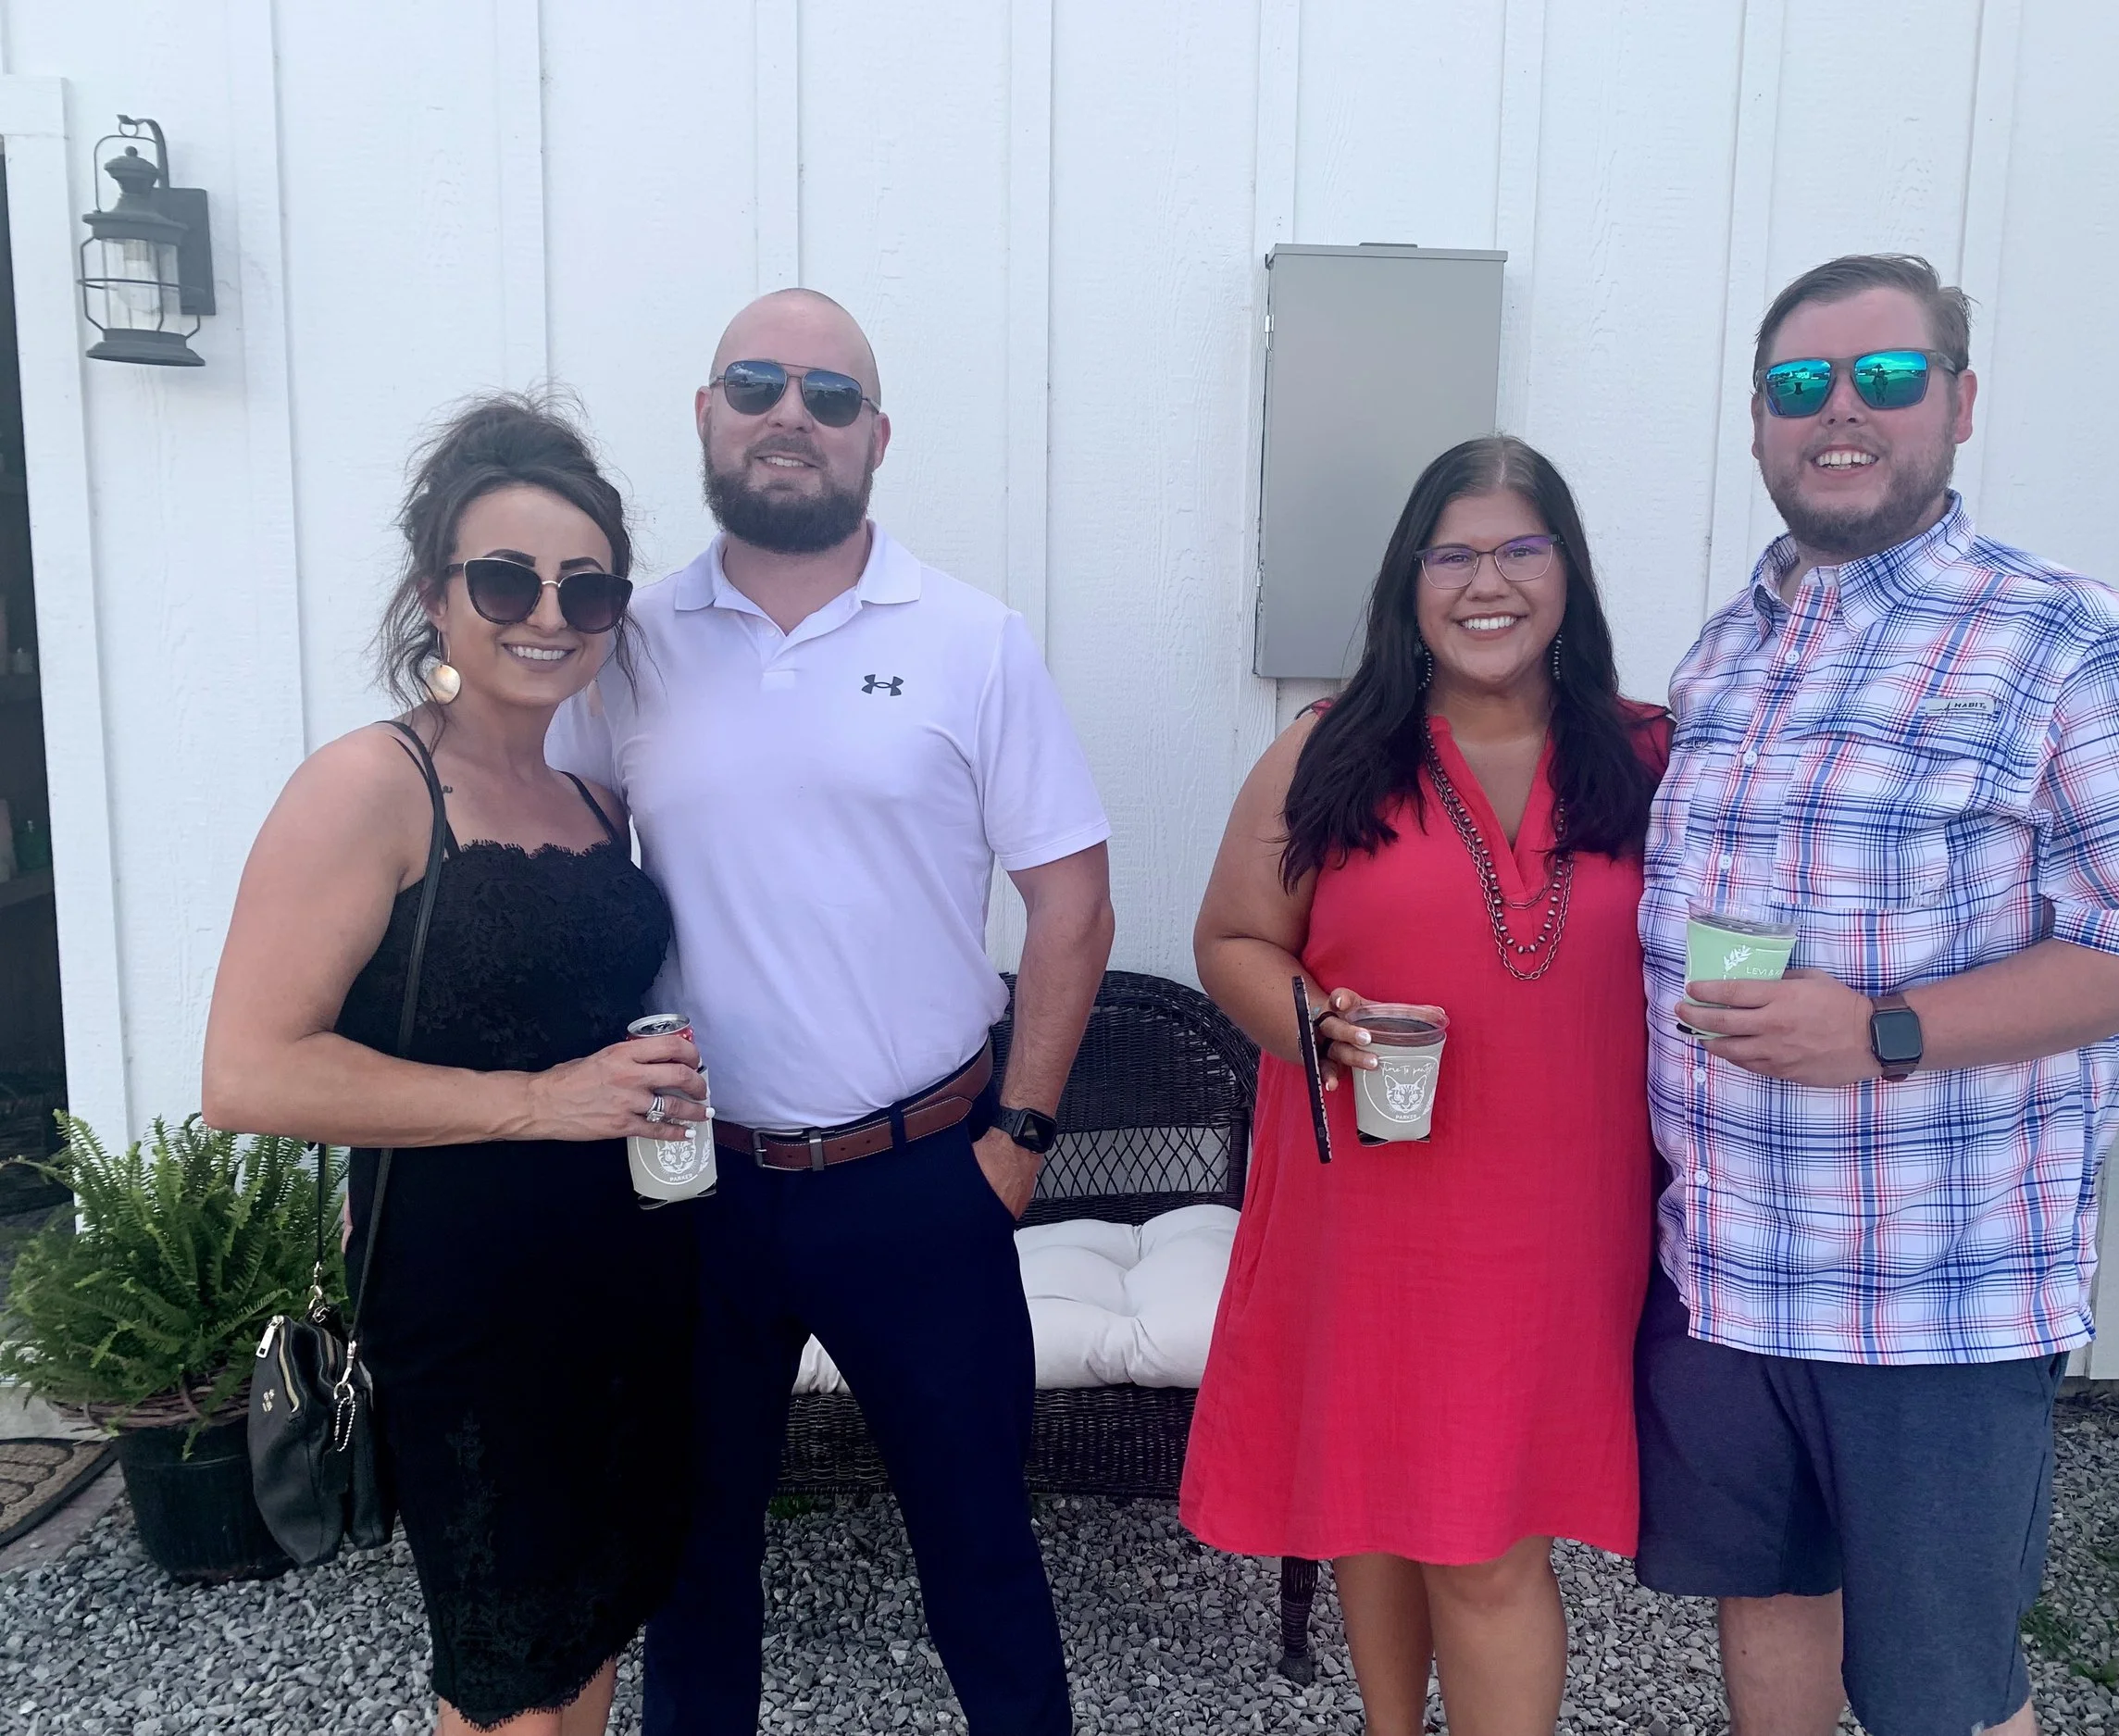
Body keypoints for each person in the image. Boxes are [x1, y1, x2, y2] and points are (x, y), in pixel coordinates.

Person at [1636, 253, 2119, 1736]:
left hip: (1934, 1298)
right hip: (1725, 1267)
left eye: (1885, 378)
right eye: (1799, 387)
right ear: (1761, 423)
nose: (1839, 413)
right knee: (1770, 1608)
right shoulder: (1730, 653)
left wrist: (1883, 1032)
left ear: (1959, 405)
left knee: (1942, 1694)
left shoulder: (2067, 641)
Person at [546, 287, 1114, 1736]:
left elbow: (1072, 899)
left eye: (829, 395)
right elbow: (563, 886)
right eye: (756, 383)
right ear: (705, 416)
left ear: (875, 439)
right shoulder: (628, 643)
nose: (790, 414)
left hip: (923, 1179)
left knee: (982, 1556)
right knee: (695, 1565)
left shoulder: (973, 640)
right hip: (692, 1187)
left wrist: (1021, 1140)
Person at [202, 394, 709, 1736]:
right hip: (466, 1304)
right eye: (506, 577)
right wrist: (540, 1101)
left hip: (629, 1275)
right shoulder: (370, 786)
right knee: (500, 1673)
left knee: (594, 1620)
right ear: (438, 594)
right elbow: (247, 1071)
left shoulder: (596, 797)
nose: (547, 611)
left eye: (586, 587)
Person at [1182, 435, 1667, 1735]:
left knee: (1489, 1540)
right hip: (1373, 1197)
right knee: (1377, 1498)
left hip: (1559, 1218)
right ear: (1410, 580)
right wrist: (1313, 1020)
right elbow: (1232, 939)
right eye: (1452, 552)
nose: (1486, 581)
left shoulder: (1649, 754)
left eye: (1521, 547)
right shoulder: (1331, 752)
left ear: (1569, 570)